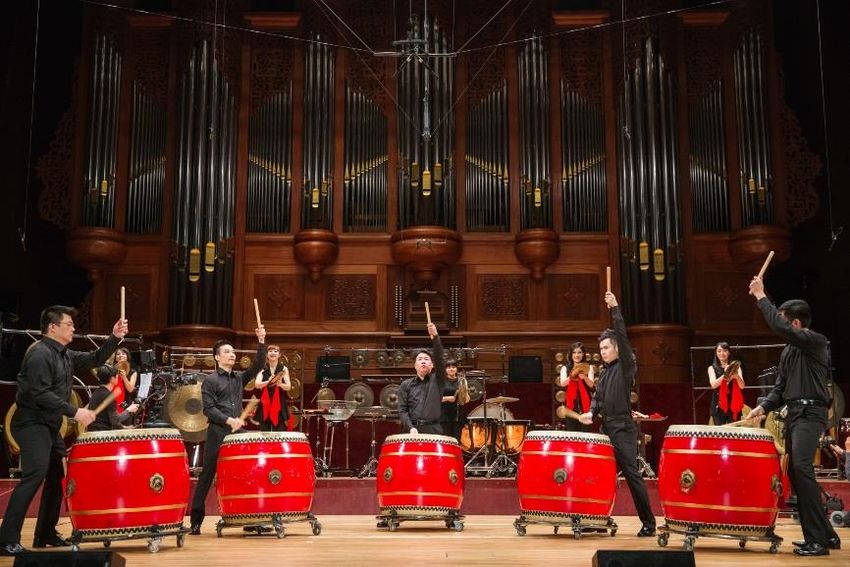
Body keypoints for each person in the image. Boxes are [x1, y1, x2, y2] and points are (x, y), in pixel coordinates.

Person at [0, 306, 127, 556]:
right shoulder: (39, 354)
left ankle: (45, 533)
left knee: (57, 476)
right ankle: (6, 539)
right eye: (69, 324)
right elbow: (39, 394)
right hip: (31, 423)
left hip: (49, 426)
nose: (73, 328)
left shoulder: (64, 354)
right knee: (34, 475)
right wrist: (75, 412)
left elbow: (95, 359)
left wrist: (115, 337)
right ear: (52, 327)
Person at [744, 277, 840, 556]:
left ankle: (817, 542)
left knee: (800, 468)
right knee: (797, 475)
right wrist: (763, 407)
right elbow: (780, 389)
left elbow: (778, 326)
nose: (781, 327)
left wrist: (761, 296)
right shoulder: (788, 351)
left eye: (785, 322)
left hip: (811, 413)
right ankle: (827, 535)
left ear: (795, 323)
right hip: (795, 414)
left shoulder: (816, 342)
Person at [579, 291, 656, 537]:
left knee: (632, 476)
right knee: (601, 475)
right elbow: (598, 398)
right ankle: (599, 519)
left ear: (616, 349)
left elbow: (622, 336)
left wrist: (615, 309)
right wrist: (591, 412)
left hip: (623, 428)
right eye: (600, 348)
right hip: (606, 429)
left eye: (606, 347)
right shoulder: (604, 373)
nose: (602, 351)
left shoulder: (625, 367)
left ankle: (649, 524)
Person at [189, 326, 267, 535]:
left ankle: (250, 519)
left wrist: (261, 341)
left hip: (237, 434)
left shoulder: (239, 378)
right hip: (218, 433)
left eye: (233, 352)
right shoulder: (210, 380)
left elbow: (259, 364)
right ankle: (195, 522)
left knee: (247, 473)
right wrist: (228, 420)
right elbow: (208, 409)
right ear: (217, 357)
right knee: (207, 475)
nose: (232, 354)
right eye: (227, 352)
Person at [398, 323, 445, 435]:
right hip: (412, 430)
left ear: (432, 365)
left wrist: (436, 336)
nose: (423, 361)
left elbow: (439, 358)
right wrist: (410, 427)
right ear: (415, 365)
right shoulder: (405, 385)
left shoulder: (438, 380)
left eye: (426, 359)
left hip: (433, 430)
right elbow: (402, 410)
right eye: (419, 359)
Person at [86, 365, 140, 431]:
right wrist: (129, 410)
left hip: (95, 430)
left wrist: (124, 427)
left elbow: (110, 420)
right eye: (117, 376)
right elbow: (115, 420)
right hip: (101, 433)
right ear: (112, 379)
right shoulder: (108, 395)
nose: (118, 377)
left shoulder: (97, 392)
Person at [557, 342, 595, 432]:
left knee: (586, 434)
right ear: (571, 354)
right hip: (571, 406)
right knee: (572, 433)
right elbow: (562, 383)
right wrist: (573, 374)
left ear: (583, 354)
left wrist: (584, 377)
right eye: (574, 352)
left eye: (579, 352)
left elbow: (591, 384)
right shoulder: (565, 368)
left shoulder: (589, 367)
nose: (577, 355)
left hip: (586, 405)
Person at [254, 344, 291, 431]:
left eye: (275, 351)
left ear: (279, 354)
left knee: (279, 434)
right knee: (264, 433)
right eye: (270, 351)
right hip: (265, 402)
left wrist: (280, 384)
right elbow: (257, 385)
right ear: (267, 354)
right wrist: (268, 382)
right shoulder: (262, 368)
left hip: (279, 402)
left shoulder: (283, 369)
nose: (273, 353)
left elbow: (288, 387)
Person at [708, 342, 745, 425]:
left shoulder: (736, 367)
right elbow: (713, 385)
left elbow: (742, 386)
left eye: (725, 351)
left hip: (733, 403)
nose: (722, 353)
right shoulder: (711, 368)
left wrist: (736, 376)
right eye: (719, 351)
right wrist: (726, 374)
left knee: (734, 431)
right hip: (718, 404)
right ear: (716, 353)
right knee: (720, 431)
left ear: (729, 352)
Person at [440, 359, 469, 442]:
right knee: (446, 440)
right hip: (444, 414)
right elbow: (434, 398)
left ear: (456, 368)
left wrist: (465, 393)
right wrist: (447, 398)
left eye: (453, 367)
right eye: (448, 367)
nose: (451, 369)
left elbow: (466, 400)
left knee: (456, 440)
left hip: (458, 414)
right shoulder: (441, 381)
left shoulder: (462, 381)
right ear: (445, 369)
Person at [111, 346, 138, 414]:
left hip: (126, 402)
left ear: (127, 356)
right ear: (115, 357)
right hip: (113, 401)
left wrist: (124, 377)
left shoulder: (133, 372)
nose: (121, 355)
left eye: (123, 354)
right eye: (118, 354)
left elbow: (130, 389)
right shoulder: (110, 370)